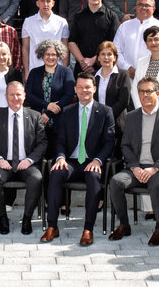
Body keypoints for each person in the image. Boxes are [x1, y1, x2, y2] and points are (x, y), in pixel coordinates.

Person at [107, 77, 159, 246]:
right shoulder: (132, 116)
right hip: (137, 167)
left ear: (157, 93)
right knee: (116, 181)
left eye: (149, 91)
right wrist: (134, 167)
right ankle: (124, 225)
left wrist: (155, 168)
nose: (145, 95)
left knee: (156, 185)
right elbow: (125, 145)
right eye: (142, 91)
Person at [41, 73, 115, 246]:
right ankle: (52, 226)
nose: (84, 90)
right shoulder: (67, 111)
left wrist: (98, 160)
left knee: (94, 177)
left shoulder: (105, 111)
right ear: (75, 89)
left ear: (94, 89)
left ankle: (88, 229)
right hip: (72, 161)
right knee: (56, 172)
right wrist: (60, 157)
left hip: (92, 160)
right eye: (80, 87)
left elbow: (109, 142)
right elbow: (60, 140)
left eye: (87, 87)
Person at [0, 81, 46, 235]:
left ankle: (27, 218)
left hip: (26, 163)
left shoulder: (35, 116)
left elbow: (42, 143)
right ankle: (3, 217)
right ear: (6, 96)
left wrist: (30, 160)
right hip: (4, 163)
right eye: (11, 94)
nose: (15, 98)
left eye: (18, 94)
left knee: (36, 178)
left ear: (24, 96)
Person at [67, 0, 120, 75]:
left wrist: (94, 60)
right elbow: (72, 42)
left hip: (104, 67)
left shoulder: (112, 16)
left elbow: (113, 43)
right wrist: (83, 62)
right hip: (82, 68)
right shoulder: (78, 16)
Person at [113, 0, 159, 77]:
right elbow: (116, 50)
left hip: (151, 76)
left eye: (147, 5)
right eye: (140, 5)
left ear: (153, 9)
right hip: (126, 75)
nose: (143, 8)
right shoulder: (124, 26)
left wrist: (147, 72)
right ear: (136, 7)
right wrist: (127, 68)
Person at [24, 40, 75, 131]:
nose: (50, 57)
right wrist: (46, 105)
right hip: (37, 120)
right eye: (47, 54)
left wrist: (49, 114)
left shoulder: (66, 72)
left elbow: (69, 95)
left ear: (58, 56)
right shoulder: (34, 72)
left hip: (59, 122)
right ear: (42, 55)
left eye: (53, 54)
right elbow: (28, 95)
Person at [21, 0, 69, 74]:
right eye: (42, 1)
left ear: (53, 3)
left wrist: (64, 71)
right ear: (37, 3)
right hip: (34, 69)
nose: (45, 4)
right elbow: (25, 48)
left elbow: (65, 48)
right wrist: (26, 71)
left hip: (56, 70)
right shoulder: (28, 22)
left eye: (48, 1)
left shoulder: (62, 22)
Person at [93, 41, 131, 123]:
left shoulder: (123, 75)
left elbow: (124, 101)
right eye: (103, 54)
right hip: (96, 121)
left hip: (116, 123)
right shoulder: (92, 76)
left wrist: (107, 116)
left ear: (115, 58)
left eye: (109, 54)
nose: (106, 57)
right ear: (98, 58)